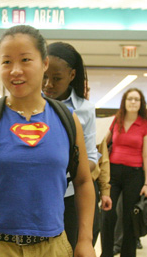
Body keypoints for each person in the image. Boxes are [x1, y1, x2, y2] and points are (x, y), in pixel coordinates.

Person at [0, 25, 96, 257]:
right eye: (6, 62)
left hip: (52, 247)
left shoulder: (67, 120)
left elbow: (83, 181)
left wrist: (85, 239)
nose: (15, 70)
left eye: (25, 60)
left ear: (44, 64)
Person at [42, 41, 112, 250]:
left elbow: (91, 155)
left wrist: (68, 171)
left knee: (71, 248)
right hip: (38, 194)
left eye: (57, 79)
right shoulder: (32, 103)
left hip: (71, 194)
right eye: (45, 77)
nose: (48, 85)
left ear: (72, 76)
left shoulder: (84, 109)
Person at [101, 88, 147, 257]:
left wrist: (146, 184)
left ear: (140, 103)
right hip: (113, 172)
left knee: (130, 217)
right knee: (107, 215)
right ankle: (106, 253)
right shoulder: (117, 121)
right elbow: (103, 141)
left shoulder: (145, 125)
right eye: (129, 99)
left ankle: (128, 254)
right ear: (124, 101)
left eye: (136, 100)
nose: (132, 102)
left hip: (135, 173)